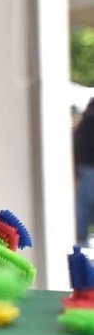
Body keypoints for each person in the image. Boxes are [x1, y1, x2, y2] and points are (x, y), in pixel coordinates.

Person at [74, 98, 94, 243]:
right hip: (88, 165)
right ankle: (81, 232)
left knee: (84, 201)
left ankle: (81, 232)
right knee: (85, 201)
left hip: (84, 164)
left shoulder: (86, 122)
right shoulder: (89, 122)